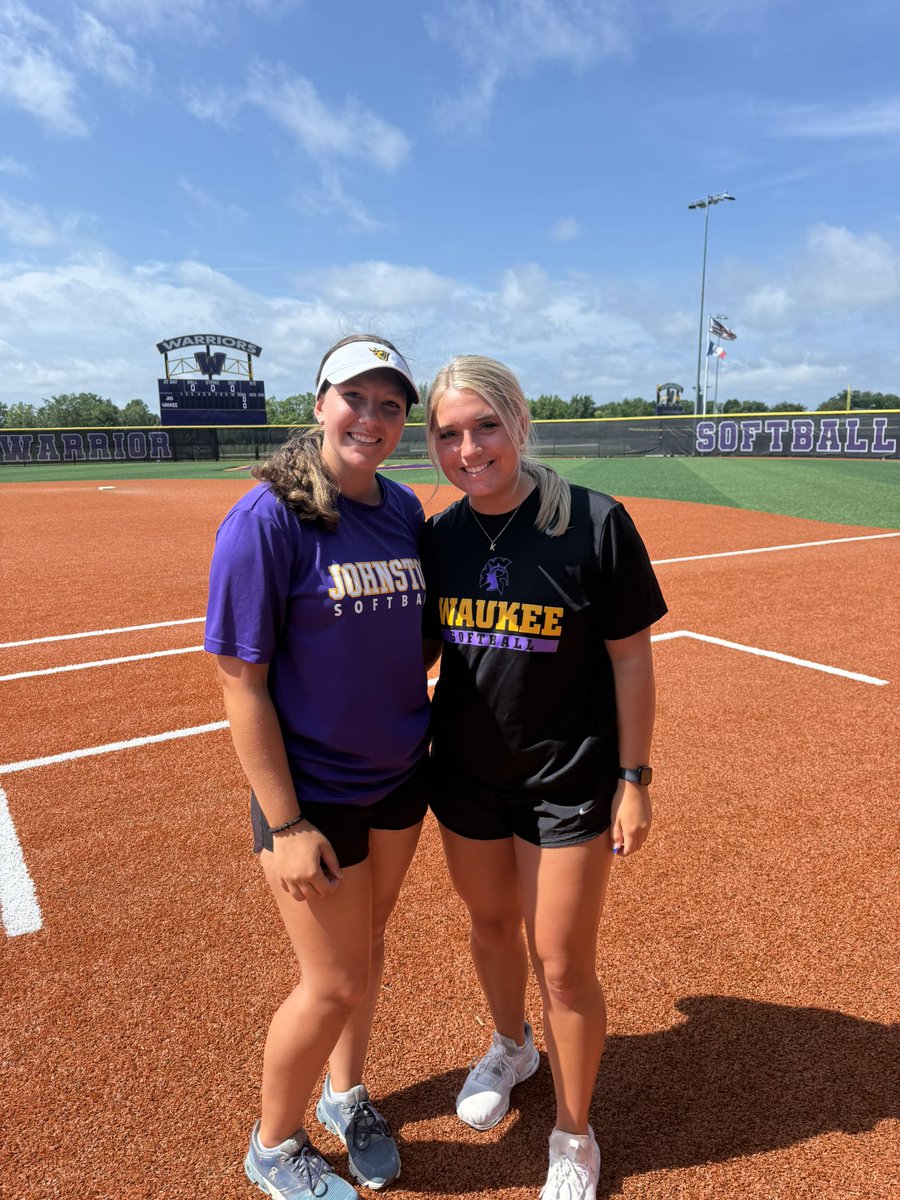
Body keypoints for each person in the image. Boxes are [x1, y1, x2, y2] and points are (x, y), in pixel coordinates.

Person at [421, 356, 667, 1200]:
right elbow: (417, 652)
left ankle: (572, 1131)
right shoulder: (440, 536)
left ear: (521, 423)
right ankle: (512, 1044)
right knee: (491, 925)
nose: (470, 447)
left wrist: (634, 776)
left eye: (485, 425)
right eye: (449, 433)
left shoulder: (596, 523)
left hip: (569, 779)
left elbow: (631, 660)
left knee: (562, 961)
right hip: (465, 778)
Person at [205, 334, 430, 1200]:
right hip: (315, 798)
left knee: (367, 952)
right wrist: (288, 823)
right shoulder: (265, 521)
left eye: (388, 405)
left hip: (401, 776)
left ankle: (346, 1096)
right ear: (318, 404)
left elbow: (415, 638)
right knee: (333, 981)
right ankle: (272, 1144)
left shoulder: (403, 510)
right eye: (354, 399)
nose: (370, 419)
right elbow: (241, 686)